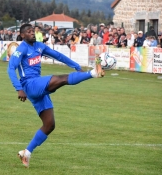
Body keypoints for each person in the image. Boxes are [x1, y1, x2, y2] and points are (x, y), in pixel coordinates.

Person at [7, 24, 105, 168]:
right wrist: (18, 89)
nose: (32, 33)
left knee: (49, 124)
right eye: (28, 32)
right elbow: (10, 69)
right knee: (61, 79)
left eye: (33, 31)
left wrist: (75, 65)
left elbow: (58, 56)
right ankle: (93, 73)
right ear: (22, 36)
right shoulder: (21, 48)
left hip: (38, 87)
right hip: (30, 85)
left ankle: (26, 153)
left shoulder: (39, 46)